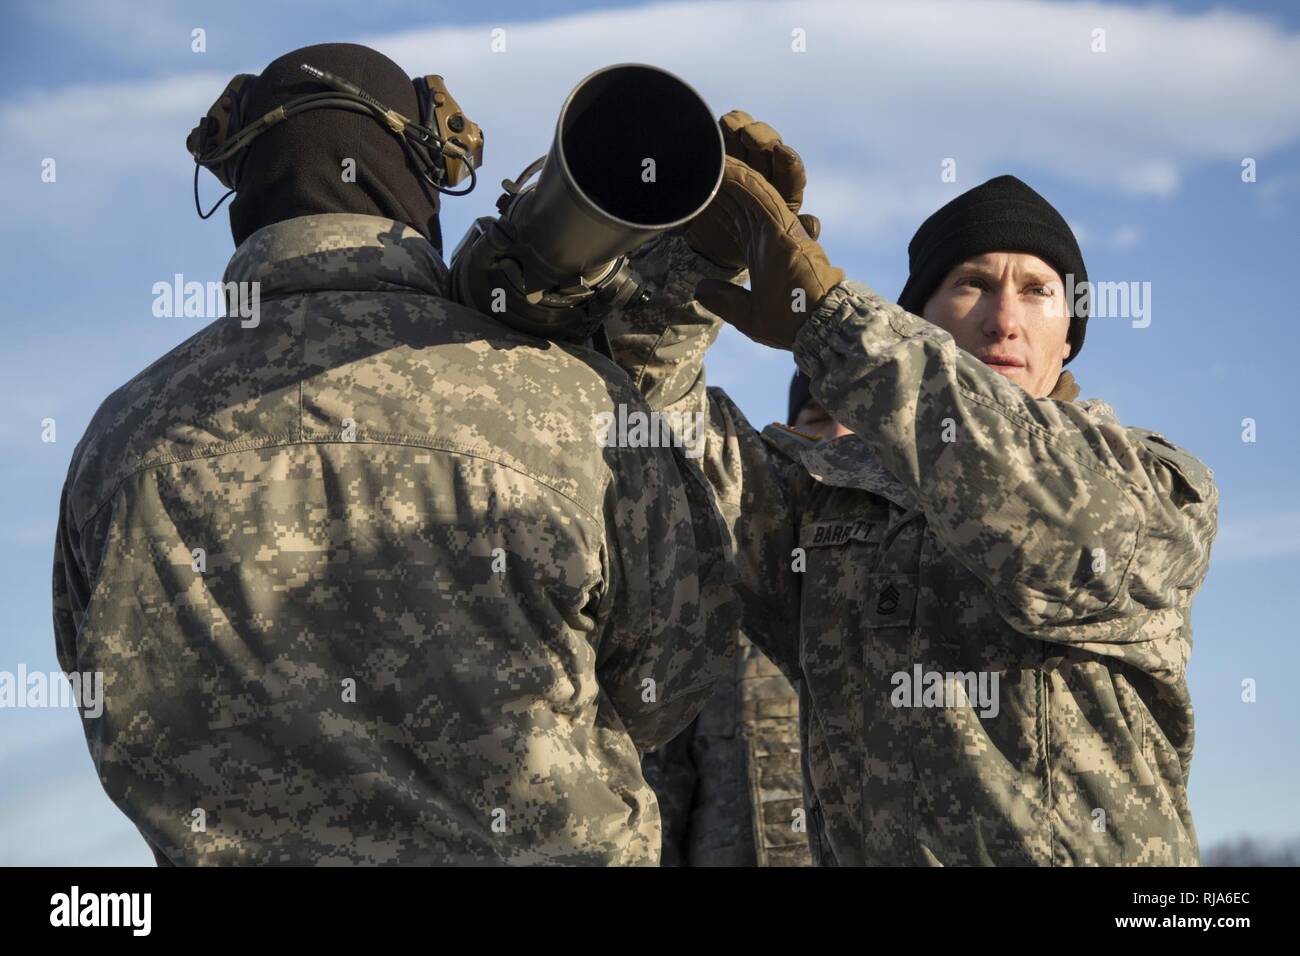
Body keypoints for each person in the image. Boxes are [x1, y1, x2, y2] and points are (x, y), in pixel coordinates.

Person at [51, 43, 732, 866]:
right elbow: (671, 682)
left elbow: (99, 686)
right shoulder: (574, 400)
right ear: (423, 173)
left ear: (243, 187)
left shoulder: (118, 441)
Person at [606, 112, 1219, 865]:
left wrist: (831, 321)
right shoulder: (822, 503)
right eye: (972, 285)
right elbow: (653, 441)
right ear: (919, 319)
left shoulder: (1150, 486)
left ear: (1070, 335)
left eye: (1037, 291)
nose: (1004, 320)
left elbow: (1049, 517)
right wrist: (686, 264)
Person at [639, 372, 841, 868]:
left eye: (856, 423)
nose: (837, 439)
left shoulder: (915, 592)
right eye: (817, 421)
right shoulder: (720, 591)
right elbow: (662, 772)